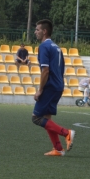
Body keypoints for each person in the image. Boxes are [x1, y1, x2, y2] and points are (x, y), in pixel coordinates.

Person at [32, 19, 75, 156]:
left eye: (37, 29)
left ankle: (66, 133)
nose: (35, 32)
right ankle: (58, 149)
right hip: (58, 85)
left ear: (44, 31)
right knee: (46, 118)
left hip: (50, 86)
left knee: (36, 118)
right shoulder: (57, 47)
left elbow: (45, 70)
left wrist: (40, 90)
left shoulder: (44, 47)